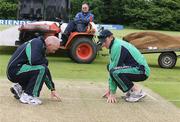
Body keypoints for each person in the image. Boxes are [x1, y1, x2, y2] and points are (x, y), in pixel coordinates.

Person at [97, 30, 150, 103]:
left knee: (115, 71)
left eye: (105, 41)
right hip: (136, 68)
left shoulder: (117, 46)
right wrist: (109, 89)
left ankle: (137, 92)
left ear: (111, 37)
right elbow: (111, 68)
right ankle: (132, 91)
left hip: (142, 71)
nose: (103, 44)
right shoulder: (114, 45)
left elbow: (114, 70)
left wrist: (112, 93)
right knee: (111, 68)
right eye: (102, 42)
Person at [7, 36, 61, 105]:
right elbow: (34, 61)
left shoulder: (39, 46)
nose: (53, 52)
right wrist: (46, 61)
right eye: (54, 50)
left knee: (41, 68)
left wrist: (52, 89)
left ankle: (19, 87)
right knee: (41, 68)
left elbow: (44, 71)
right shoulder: (37, 42)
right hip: (15, 71)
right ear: (49, 45)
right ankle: (28, 96)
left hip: (17, 70)